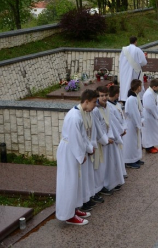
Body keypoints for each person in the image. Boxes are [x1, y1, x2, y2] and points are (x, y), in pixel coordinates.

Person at [56, 89, 98, 225]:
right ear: (86, 102)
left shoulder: (79, 113)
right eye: (93, 102)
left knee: (76, 182)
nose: (95, 105)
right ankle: (67, 215)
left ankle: (73, 209)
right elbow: (75, 138)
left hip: (73, 150)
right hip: (69, 151)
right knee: (69, 182)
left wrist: (89, 148)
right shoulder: (74, 116)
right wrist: (81, 155)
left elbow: (83, 136)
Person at [93, 86, 124, 194]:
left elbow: (110, 123)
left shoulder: (108, 107)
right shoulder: (95, 110)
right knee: (102, 165)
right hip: (101, 141)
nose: (104, 98)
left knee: (110, 162)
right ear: (97, 96)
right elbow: (97, 127)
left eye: (106, 95)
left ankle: (110, 183)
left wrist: (111, 136)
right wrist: (105, 139)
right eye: (102, 96)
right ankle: (101, 187)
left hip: (109, 138)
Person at [122, 79, 144, 169]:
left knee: (136, 142)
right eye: (141, 86)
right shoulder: (131, 99)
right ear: (138, 87)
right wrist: (138, 123)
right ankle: (129, 160)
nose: (142, 87)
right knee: (131, 142)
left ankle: (136, 158)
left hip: (135, 122)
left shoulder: (136, 97)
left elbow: (139, 111)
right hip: (131, 124)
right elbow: (133, 113)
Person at [107, 85, 127, 179]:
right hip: (115, 133)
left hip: (121, 131)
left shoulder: (117, 104)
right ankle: (118, 174)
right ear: (116, 94)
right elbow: (113, 121)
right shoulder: (109, 106)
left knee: (121, 153)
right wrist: (120, 130)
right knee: (116, 154)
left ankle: (122, 172)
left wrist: (124, 128)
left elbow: (122, 117)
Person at [119, 36, 148, 102]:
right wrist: (145, 57)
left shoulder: (124, 49)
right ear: (136, 41)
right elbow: (143, 62)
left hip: (125, 71)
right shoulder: (137, 49)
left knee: (126, 84)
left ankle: (124, 98)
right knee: (134, 83)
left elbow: (120, 60)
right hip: (134, 71)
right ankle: (137, 98)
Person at [142, 78, 158, 153]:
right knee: (148, 132)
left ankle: (151, 145)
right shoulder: (148, 94)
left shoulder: (151, 92)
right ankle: (148, 147)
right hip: (149, 115)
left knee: (152, 131)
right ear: (154, 87)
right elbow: (149, 106)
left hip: (151, 115)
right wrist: (157, 114)